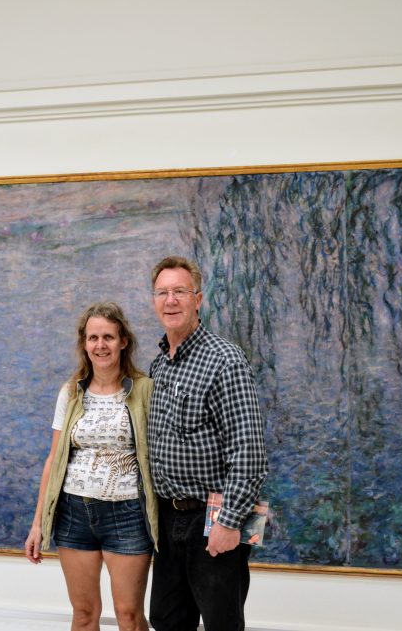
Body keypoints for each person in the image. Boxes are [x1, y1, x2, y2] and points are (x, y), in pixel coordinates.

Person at [146, 256, 268, 631]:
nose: (171, 300)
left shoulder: (224, 360)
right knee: (166, 620)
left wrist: (229, 522)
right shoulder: (159, 365)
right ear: (154, 301)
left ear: (198, 299)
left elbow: (249, 453)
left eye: (180, 291)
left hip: (211, 518)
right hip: (168, 519)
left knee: (221, 624)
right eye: (163, 292)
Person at [25, 302, 159, 631]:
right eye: (93, 338)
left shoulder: (144, 390)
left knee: (129, 615)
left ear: (123, 341)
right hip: (74, 513)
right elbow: (54, 458)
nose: (101, 345)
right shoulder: (71, 392)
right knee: (84, 614)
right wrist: (38, 523)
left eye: (109, 337)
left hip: (127, 514)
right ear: (84, 343)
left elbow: (160, 454)